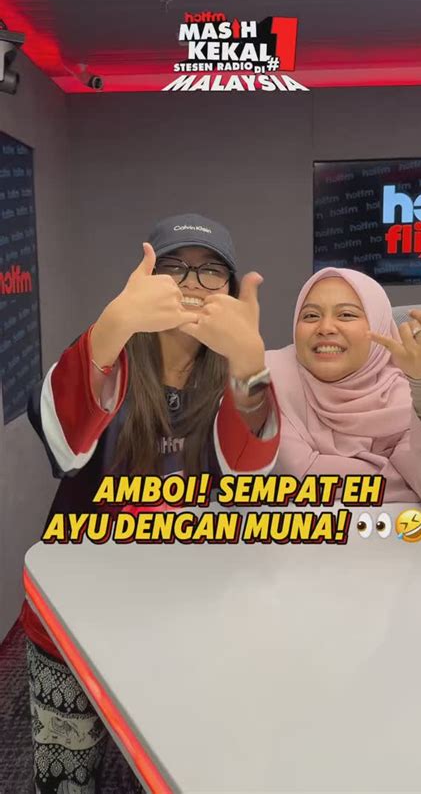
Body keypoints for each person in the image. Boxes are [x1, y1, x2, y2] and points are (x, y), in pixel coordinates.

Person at [22, 213, 280, 794]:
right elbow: (63, 446)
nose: (191, 283)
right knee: (66, 777)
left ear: (231, 288)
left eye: (210, 271)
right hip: (78, 613)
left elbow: (249, 474)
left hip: (187, 616)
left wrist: (250, 366)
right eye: (174, 268)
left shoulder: (236, 373)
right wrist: (110, 328)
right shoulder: (108, 357)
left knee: (181, 769)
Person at [266, 266, 421, 507]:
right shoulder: (269, 377)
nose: (325, 328)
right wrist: (403, 480)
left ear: (379, 326)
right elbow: (301, 478)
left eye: (346, 315)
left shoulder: (409, 396)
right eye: (311, 316)